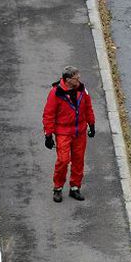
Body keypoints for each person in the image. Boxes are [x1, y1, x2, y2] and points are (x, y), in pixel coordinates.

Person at [42, 66, 96, 202]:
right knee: (63, 160)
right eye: (76, 78)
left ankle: (75, 188)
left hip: (80, 132)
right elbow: (48, 115)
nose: (79, 80)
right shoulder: (55, 93)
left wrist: (91, 124)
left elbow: (88, 108)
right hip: (63, 133)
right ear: (67, 80)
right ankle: (58, 188)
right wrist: (48, 135)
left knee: (78, 160)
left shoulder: (82, 90)